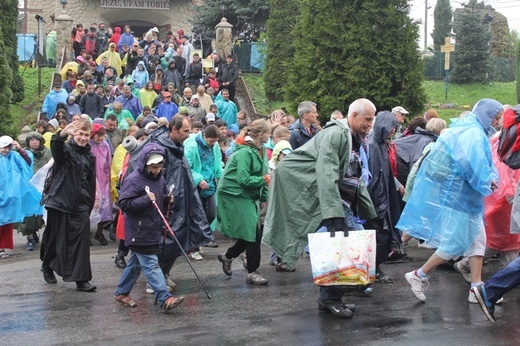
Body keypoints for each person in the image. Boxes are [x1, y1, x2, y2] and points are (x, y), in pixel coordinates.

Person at [262, 98, 377, 318]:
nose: (370, 124)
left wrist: (367, 209)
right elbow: (327, 173)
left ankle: (331, 299)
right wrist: (333, 213)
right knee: (341, 251)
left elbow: (352, 174)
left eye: (372, 119)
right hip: (333, 201)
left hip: (338, 200)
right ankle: (330, 299)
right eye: (367, 119)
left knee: (342, 250)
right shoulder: (336, 135)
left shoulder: (350, 136)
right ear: (353, 116)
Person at [398, 99, 503, 302]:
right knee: (455, 243)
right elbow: (472, 165)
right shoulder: (473, 133)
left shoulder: (470, 130)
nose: (497, 122)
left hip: (465, 198)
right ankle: (418, 275)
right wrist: (487, 181)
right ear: (486, 115)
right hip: (460, 198)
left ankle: (476, 288)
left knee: (478, 241)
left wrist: (486, 180)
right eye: (495, 117)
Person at [127, 117, 213, 288]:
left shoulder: (176, 146)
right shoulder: (160, 147)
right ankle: (155, 282)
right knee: (161, 243)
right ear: (174, 129)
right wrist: (162, 196)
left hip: (178, 201)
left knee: (175, 240)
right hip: (164, 204)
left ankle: (158, 277)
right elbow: (153, 175)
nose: (189, 135)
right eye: (186, 131)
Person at [114, 142, 184, 311]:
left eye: (159, 166)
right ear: (145, 164)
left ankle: (122, 292)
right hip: (138, 231)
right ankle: (165, 298)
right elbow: (123, 203)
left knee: (136, 264)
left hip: (152, 227)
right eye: (153, 167)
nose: (157, 170)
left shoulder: (159, 178)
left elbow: (158, 198)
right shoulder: (133, 180)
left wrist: (167, 199)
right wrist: (145, 200)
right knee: (151, 264)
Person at [40, 120, 97, 291]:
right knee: (55, 240)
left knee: (81, 242)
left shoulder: (90, 156)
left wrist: (89, 204)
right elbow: (56, 147)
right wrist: (63, 134)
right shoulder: (65, 150)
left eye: (86, 135)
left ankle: (82, 280)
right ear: (74, 134)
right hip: (60, 202)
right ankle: (47, 266)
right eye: (80, 134)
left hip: (80, 205)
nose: (83, 138)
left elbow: (91, 182)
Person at [216, 119, 271, 285]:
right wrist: (263, 180)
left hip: (248, 194)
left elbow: (264, 174)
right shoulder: (245, 153)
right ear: (261, 135)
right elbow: (244, 179)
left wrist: (263, 197)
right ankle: (252, 272)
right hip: (235, 194)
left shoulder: (261, 150)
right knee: (253, 233)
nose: (270, 135)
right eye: (268, 132)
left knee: (252, 232)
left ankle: (227, 256)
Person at [365, 111, 401, 282]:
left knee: (382, 236)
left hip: (383, 198)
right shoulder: (372, 145)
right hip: (377, 200)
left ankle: (375, 268)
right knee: (378, 236)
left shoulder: (380, 144)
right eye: (391, 128)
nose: (392, 132)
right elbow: (372, 177)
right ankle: (373, 270)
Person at [0, 136, 41, 258]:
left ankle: (2, 247)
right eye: (4, 147)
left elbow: (27, 164)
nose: (6, 150)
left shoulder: (14, 156)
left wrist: (20, 150)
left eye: (8, 147)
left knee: (6, 222)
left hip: (10, 196)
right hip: (3, 194)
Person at [184, 125, 222, 249]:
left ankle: (203, 237)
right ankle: (196, 244)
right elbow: (186, 167)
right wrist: (198, 179)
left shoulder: (215, 146)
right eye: (211, 141)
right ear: (204, 136)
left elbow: (217, 162)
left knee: (211, 214)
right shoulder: (191, 146)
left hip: (210, 183)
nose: (213, 144)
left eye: (215, 141)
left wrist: (222, 174)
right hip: (196, 185)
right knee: (197, 215)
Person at [19, 132, 52, 251]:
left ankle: (35, 232)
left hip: (43, 186)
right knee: (28, 213)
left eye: (37, 140)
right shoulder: (23, 154)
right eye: (32, 140)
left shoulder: (47, 152)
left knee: (41, 212)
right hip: (27, 186)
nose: (34, 142)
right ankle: (30, 238)